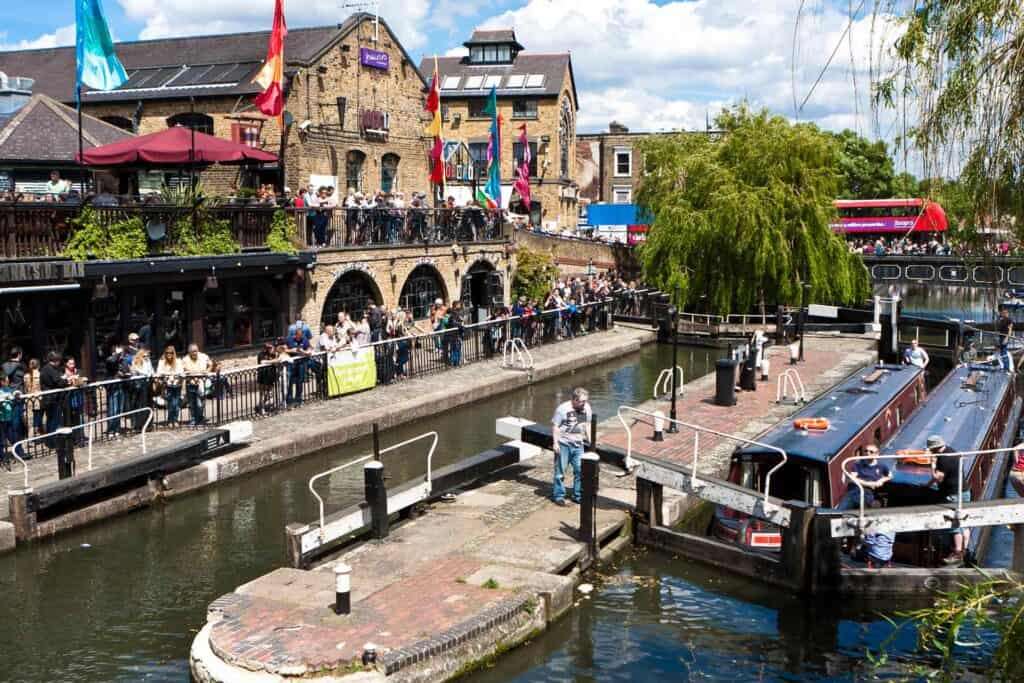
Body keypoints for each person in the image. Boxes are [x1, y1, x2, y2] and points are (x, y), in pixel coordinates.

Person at [927, 434, 970, 565]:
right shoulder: (952, 451)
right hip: (965, 491)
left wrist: (932, 464)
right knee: (964, 522)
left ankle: (957, 553)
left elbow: (938, 477)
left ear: (934, 449)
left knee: (954, 524)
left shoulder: (943, 459)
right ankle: (965, 550)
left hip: (952, 494)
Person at [550, 387, 592, 506]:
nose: (584, 403)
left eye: (585, 401)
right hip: (564, 444)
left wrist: (591, 441)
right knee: (560, 472)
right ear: (574, 399)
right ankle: (559, 496)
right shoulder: (562, 409)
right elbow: (556, 426)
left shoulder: (586, 408)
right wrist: (555, 443)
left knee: (580, 470)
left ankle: (577, 495)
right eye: (582, 401)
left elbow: (586, 425)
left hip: (578, 445)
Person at [836, 445, 892, 510]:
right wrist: (870, 484)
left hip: (868, 493)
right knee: (839, 511)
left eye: (871, 452)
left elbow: (890, 476)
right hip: (854, 491)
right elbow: (851, 479)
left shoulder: (881, 466)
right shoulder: (858, 464)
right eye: (866, 451)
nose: (868, 453)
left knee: (866, 507)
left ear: (877, 454)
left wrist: (881, 480)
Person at [40, 352, 69, 446]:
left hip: (50, 398)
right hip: (52, 399)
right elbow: (58, 382)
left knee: (50, 420)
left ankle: (50, 441)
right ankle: (52, 442)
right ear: (56, 361)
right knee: (53, 421)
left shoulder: (46, 368)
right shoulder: (50, 369)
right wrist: (66, 380)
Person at [181, 343, 211, 426]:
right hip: (191, 383)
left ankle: (200, 417)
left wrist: (207, 370)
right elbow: (183, 370)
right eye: (193, 351)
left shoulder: (203, 356)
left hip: (202, 382)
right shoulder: (185, 359)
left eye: (196, 351)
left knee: (201, 402)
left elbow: (210, 364)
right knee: (192, 403)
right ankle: (194, 419)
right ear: (189, 352)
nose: (195, 353)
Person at [156, 346, 184, 425]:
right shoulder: (162, 362)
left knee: (176, 403)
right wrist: (167, 375)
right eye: (167, 353)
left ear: (174, 353)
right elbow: (159, 372)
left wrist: (176, 376)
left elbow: (181, 372)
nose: (169, 354)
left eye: (171, 353)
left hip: (177, 384)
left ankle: (175, 420)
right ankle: (170, 420)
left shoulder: (178, 361)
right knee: (170, 403)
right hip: (167, 385)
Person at [286, 327, 312, 406]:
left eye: (301, 336)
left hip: (301, 363)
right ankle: (289, 400)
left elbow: (309, 349)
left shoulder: (304, 340)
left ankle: (298, 399)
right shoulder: (289, 339)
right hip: (291, 364)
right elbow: (283, 349)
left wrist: (304, 352)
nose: (300, 338)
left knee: (299, 381)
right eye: (298, 336)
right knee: (290, 382)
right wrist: (292, 350)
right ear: (296, 335)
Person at [256, 342, 280, 414]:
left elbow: (277, 362)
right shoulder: (261, 354)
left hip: (271, 376)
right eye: (268, 348)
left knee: (269, 393)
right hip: (263, 375)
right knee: (262, 393)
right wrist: (273, 361)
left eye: (271, 347)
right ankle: (261, 408)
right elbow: (262, 362)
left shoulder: (274, 354)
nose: (270, 349)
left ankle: (262, 405)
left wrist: (273, 359)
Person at [996, 308, 1014, 372]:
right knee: (1001, 352)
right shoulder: (1002, 320)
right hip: (1001, 337)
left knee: (1004, 352)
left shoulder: (1009, 320)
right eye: (1003, 313)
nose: (1004, 314)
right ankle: (1003, 366)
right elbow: (999, 327)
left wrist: (1007, 338)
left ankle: (1007, 368)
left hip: (1005, 337)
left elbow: (1010, 330)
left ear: (1007, 313)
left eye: (1005, 313)